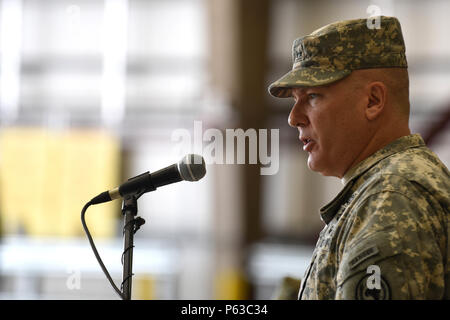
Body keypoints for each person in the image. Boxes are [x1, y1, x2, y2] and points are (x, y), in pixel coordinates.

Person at [268, 16, 449, 300]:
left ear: (373, 101)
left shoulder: (391, 197)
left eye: (313, 96)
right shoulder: (381, 191)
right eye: (294, 99)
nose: (294, 118)